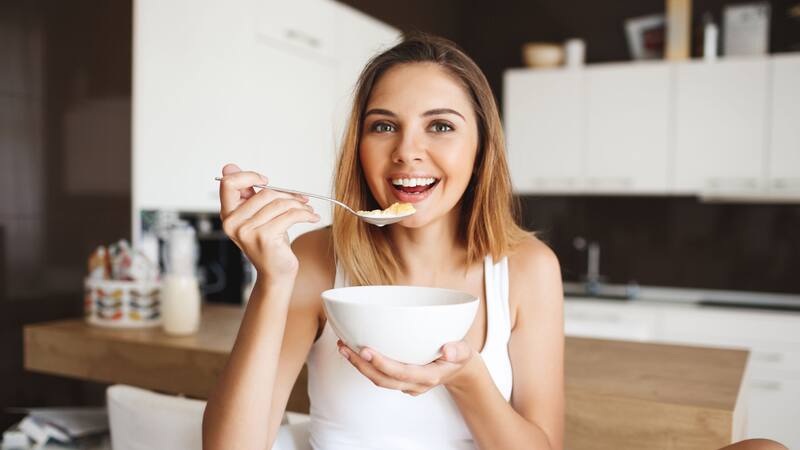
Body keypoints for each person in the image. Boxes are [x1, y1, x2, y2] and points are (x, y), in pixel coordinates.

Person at [201, 33, 787, 450]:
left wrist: (466, 378)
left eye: (441, 126)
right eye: (384, 126)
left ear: (480, 150)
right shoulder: (313, 259)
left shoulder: (527, 268)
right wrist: (272, 279)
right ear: (360, 145)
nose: (408, 150)